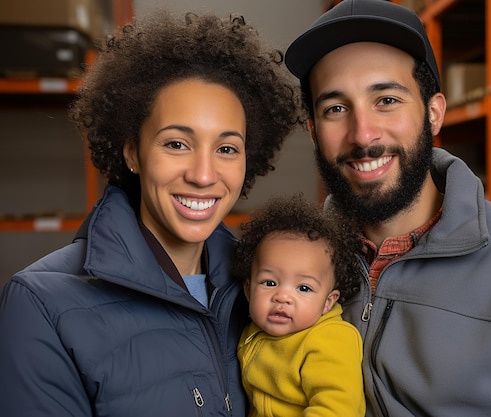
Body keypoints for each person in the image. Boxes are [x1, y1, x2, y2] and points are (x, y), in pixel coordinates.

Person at [284, 0, 491, 416]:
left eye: (387, 100)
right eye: (335, 109)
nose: (363, 134)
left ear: (433, 114)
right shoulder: (289, 265)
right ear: (313, 132)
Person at [0, 10, 302, 417]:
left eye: (227, 148)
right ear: (132, 153)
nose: (203, 174)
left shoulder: (265, 287)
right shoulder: (41, 305)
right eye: (176, 144)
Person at [233, 194, 366, 416]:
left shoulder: (330, 339)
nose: (282, 297)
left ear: (327, 302)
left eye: (303, 288)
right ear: (248, 290)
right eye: (270, 282)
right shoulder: (251, 331)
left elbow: (337, 408)